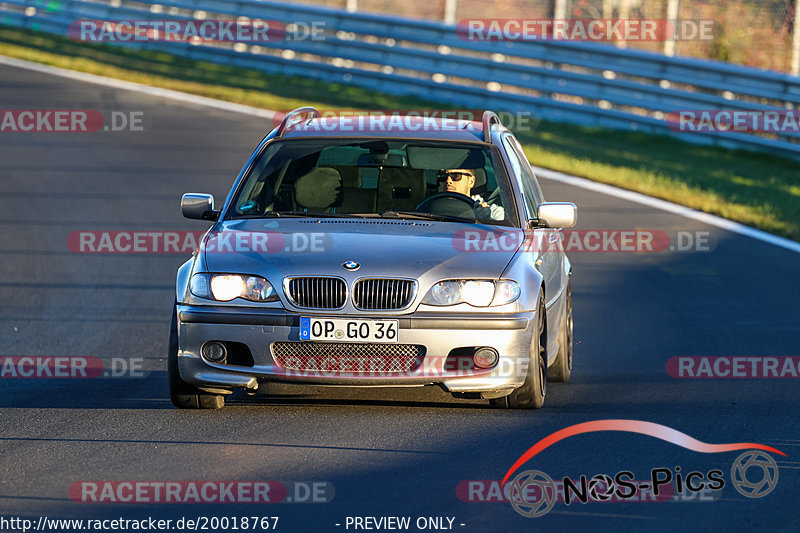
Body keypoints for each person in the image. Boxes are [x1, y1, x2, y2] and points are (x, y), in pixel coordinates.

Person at [437, 168, 504, 220]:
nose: (448, 181)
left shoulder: (494, 213)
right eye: (443, 176)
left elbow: (500, 235)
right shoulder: (427, 211)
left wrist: (486, 221)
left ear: (471, 181)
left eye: (456, 176)